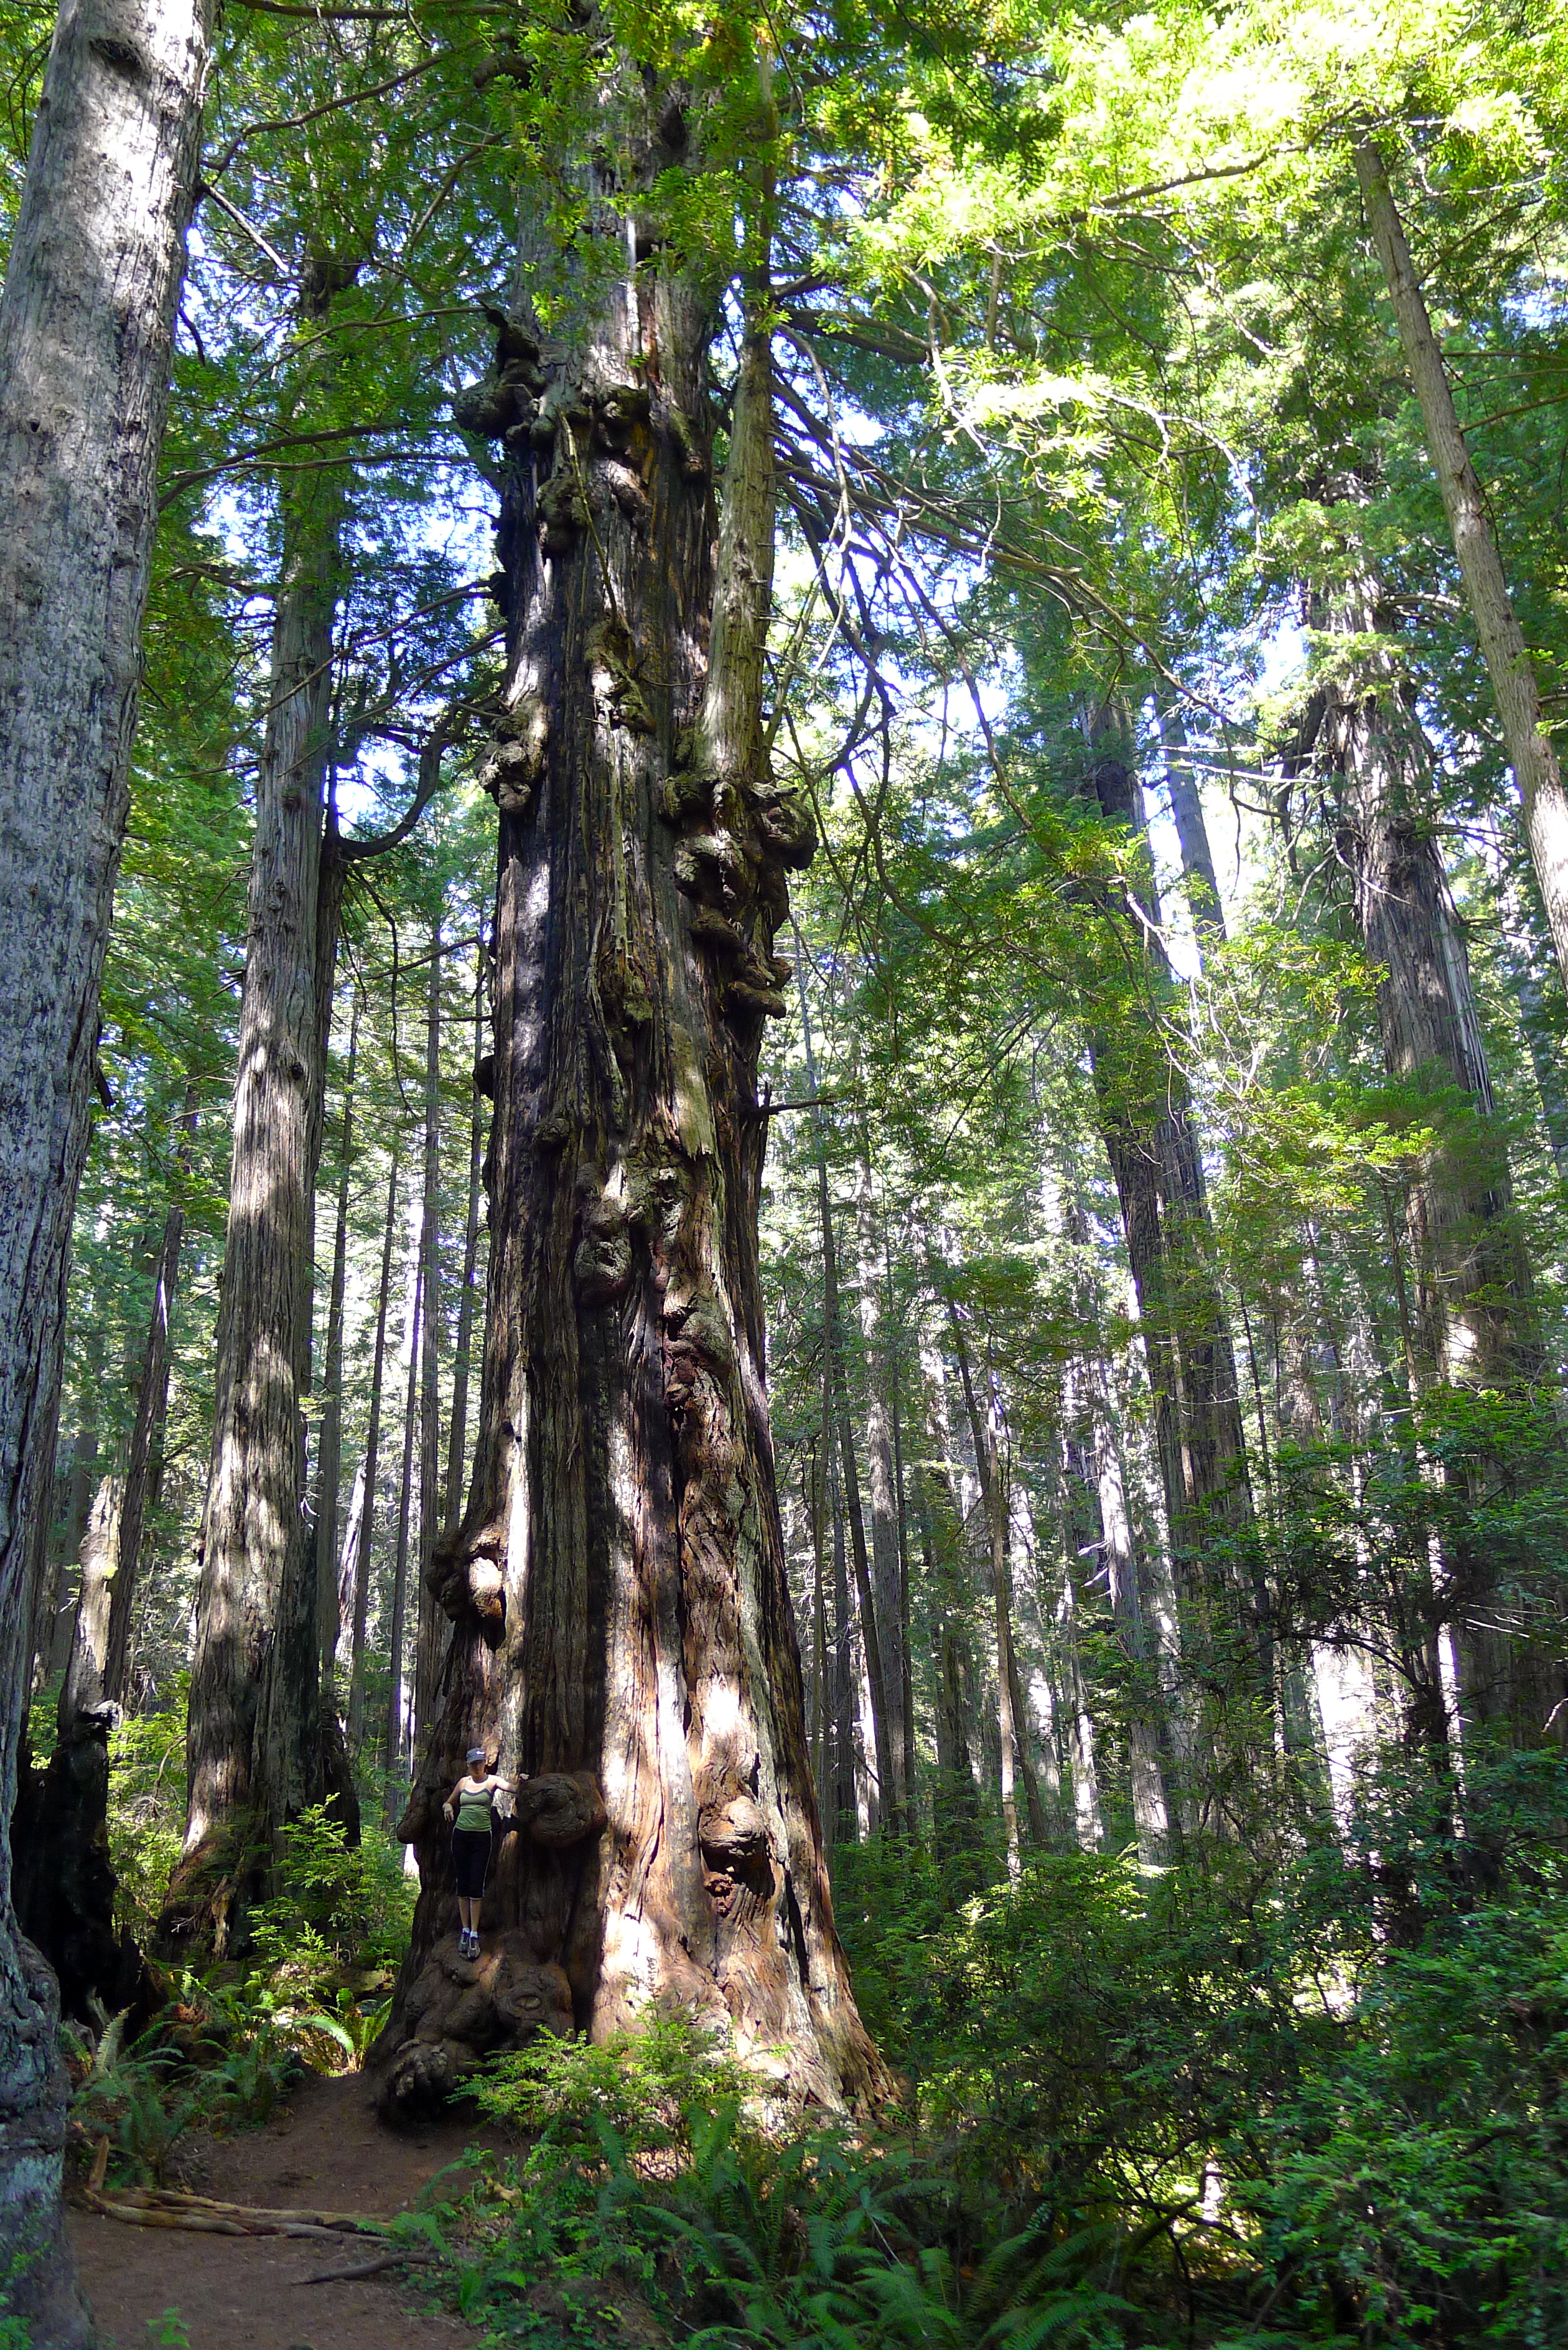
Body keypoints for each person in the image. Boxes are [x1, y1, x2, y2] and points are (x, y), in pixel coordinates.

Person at [441, 1748, 520, 1957]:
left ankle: (475, 1934)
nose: (477, 1767)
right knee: (462, 1883)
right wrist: (448, 1807)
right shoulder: (463, 1783)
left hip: (481, 1838)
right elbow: (449, 1802)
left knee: (476, 1884)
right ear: (468, 1765)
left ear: (485, 1763)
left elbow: (513, 1788)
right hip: (461, 1836)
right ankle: (465, 1930)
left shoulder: (492, 1781)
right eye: (473, 1764)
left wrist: (522, 1781)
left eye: (480, 1763)